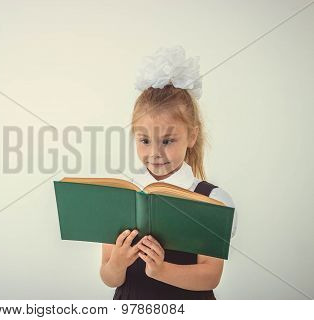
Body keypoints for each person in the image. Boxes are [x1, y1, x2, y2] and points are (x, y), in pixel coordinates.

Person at [99, 46, 238, 299]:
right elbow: (108, 277)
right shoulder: (121, 196)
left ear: (191, 136)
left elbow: (211, 276)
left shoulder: (212, 200)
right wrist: (117, 264)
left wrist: (161, 270)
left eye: (167, 141)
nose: (155, 153)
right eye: (144, 141)